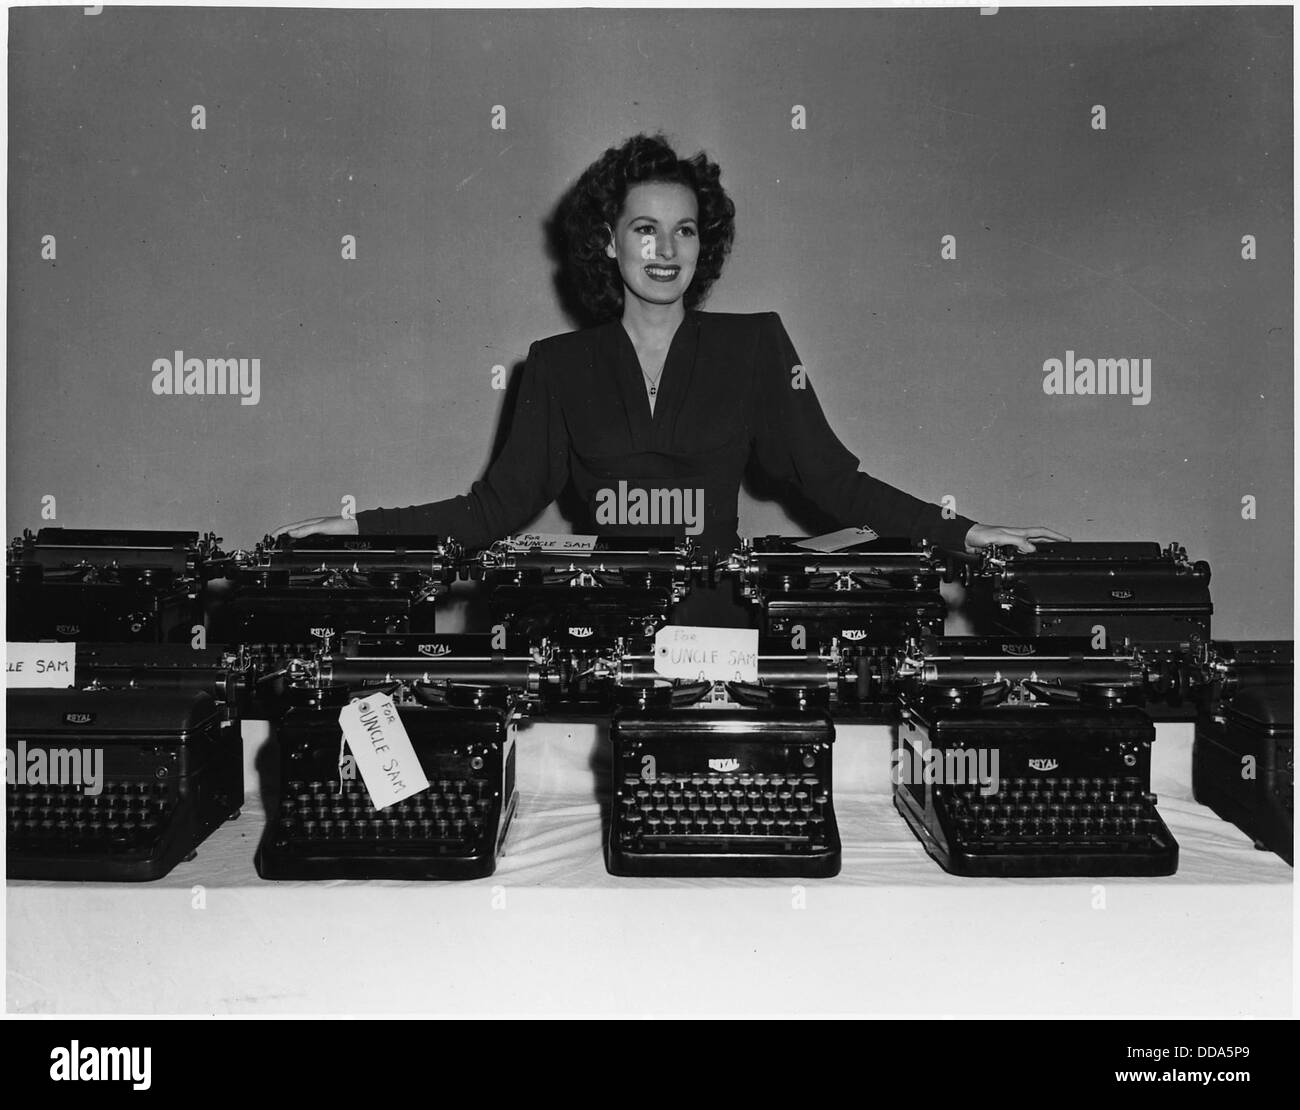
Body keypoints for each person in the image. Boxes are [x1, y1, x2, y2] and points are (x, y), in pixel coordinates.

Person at [276, 133, 1067, 625]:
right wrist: (356, 529)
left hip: (725, 625)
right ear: (607, 243)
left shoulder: (757, 346)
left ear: (704, 243)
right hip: (607, 624)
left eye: (684, 230)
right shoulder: (556, 365)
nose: (666, 249)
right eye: (644, 229)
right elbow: (491, 509)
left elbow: (837, 481)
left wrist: (964, 532)